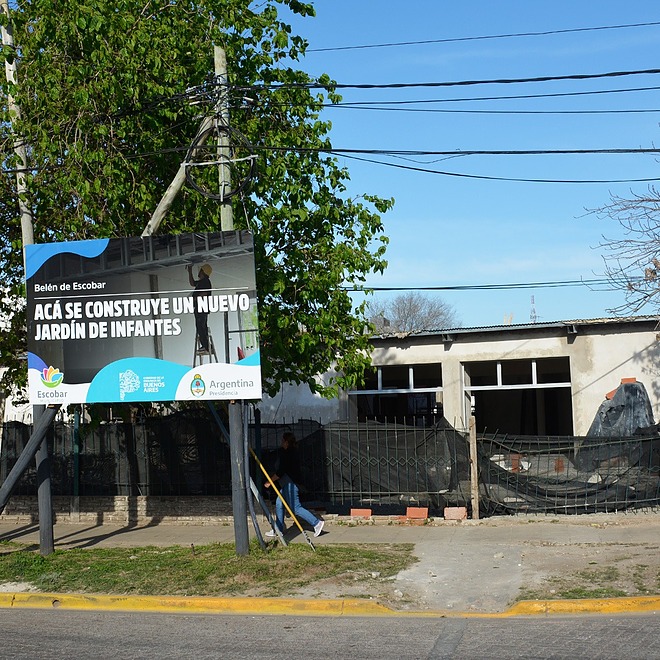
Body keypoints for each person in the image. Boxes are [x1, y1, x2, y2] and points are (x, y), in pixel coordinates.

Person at [265, 432, 325, 538]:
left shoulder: (287, 454)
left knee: (296, 508)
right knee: (279, 504)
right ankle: (278, 529)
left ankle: (316, 523)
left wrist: (270, 481)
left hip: (290, 485)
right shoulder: (292, 452)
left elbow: (281, 471)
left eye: (283, 441)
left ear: (286, 442)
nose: (281, 443)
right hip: (288, 484)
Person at [187, 263, 212, 354]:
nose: (199, 271)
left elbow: (205, 292)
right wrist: (190, 271)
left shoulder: (206, 281)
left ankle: (206, 347)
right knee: (201, 327)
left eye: (201, 270)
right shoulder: (202, 282)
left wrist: (194, 297)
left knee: (200, 327)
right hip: (199, 307)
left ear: (203, 271)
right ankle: (207, 346)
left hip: (202, 307)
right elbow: (192, 283)